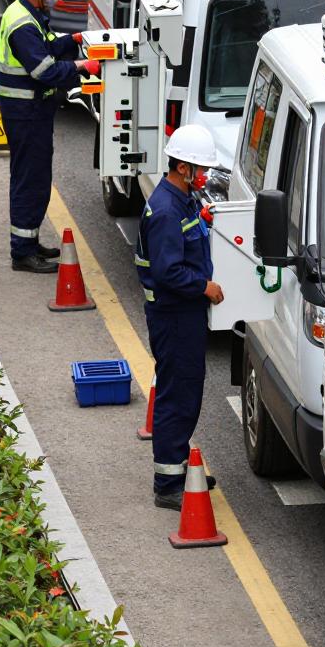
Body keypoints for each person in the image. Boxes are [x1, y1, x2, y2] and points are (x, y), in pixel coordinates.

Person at [135, 124, 225, 510]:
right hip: (174, 317)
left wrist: (204, 218)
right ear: (183, 167)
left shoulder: (183, 199)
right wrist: (205, 287)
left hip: (182, 316)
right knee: (177, 395)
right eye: (200, 169)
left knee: (187, 391)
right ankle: (168, 484)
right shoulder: (166, 211)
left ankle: (179, 467)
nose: (204, 175)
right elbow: (169, 272)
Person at [0, 0, 98, 273]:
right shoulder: (23, 25)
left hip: (32, 111)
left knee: (36, 179)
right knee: (30, 180)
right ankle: (22, 252)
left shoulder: (27, 13)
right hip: (25, 112)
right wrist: (83, 66)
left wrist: (74, 40)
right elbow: (45, 70)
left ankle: (29, 241)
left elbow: (49, 46)